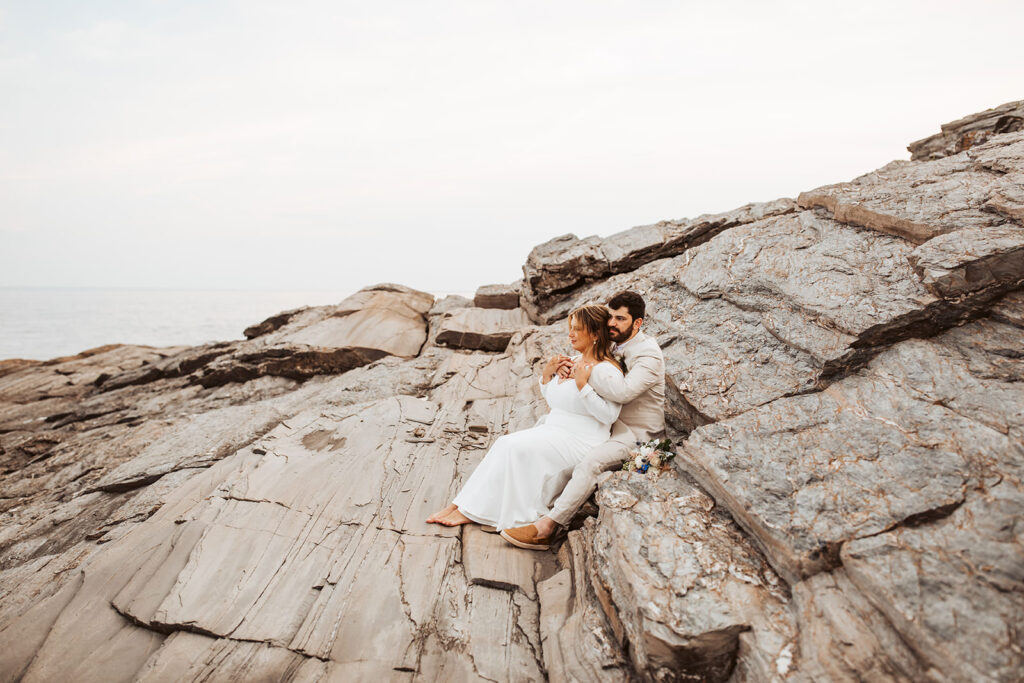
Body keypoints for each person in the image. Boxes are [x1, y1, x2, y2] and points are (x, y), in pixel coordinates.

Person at [425, 304, 625, 544]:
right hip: (556, 430)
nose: (570, 334)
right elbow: (556, 400)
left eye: (577, 329)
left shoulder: (607, 370)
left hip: (582, 440)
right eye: (570, 328)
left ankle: (472, 511)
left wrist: (583, 386)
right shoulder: (572, 361)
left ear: (595, 334)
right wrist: (547, 376)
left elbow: (609, 416)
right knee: (504, 444)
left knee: (513, 447)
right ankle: (461, 505)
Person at [501, 290, 666, 550]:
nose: (612, 323)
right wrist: (566, 365)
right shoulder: (615, 344)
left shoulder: (649, 355)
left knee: (589, 463)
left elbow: (623, 392)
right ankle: (526, 514)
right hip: (609, 429)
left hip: (640, 440)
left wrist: (583, 375)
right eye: (611, 317)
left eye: (621, 319)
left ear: (637, 323)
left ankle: (549, 527)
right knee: (560, 452)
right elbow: (595, 357)